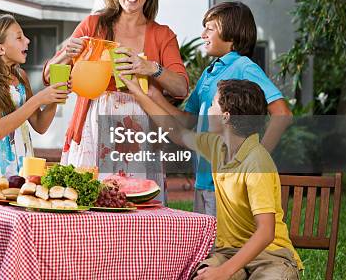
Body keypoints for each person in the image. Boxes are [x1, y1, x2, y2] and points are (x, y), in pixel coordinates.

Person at [119, 76, 302, 279]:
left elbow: (266, 233)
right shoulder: (216, 145)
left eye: (212, 104)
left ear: (225, 117)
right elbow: (177, 133)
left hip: (271, 256)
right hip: (228, 252)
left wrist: (224, 272)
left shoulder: (257, 162)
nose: (206, 110)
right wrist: (138, 93)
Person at [43, 0, 189, 202]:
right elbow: (48, 76)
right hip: (92, 125)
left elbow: (181, 87)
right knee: (87, 204)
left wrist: (149, 67)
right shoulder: (93, 24)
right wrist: (66, 54)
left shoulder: (162, 35)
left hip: (140, 128)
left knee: (138, 208)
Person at [153, 1, 292, 217]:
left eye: (210, 28)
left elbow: (282, 114)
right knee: (207, 248)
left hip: (228, 184)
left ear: (232, 34)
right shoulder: (209, 73)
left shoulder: (244, 67)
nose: (202, 34)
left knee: (226, 248)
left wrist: (254, 160)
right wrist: (152, 95)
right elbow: (186, 122)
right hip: (204, 180)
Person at [0, 14, 69, 183]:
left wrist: (54, 96)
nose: (27, 40)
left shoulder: (20, 77)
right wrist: (39, 99)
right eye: (19, 37)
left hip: (21, 162)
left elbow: (40, 125)